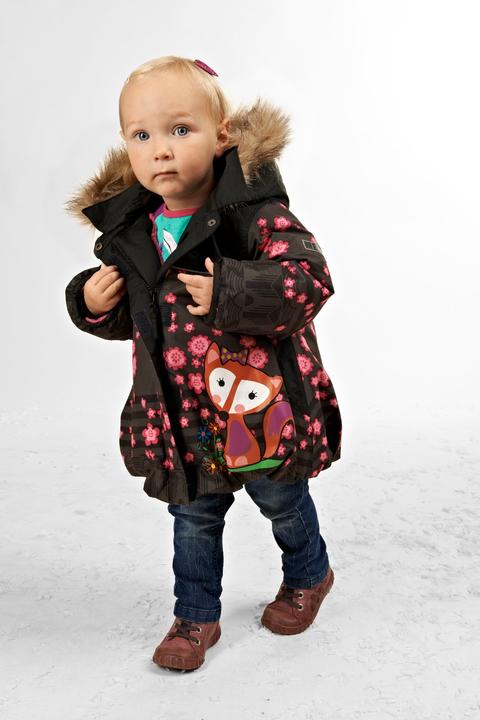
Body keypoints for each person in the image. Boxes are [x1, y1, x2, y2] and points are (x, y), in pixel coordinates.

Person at [64, 55, 342, 673]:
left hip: (258, 407)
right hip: (180, 412)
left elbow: (309, 278)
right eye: (142, 134)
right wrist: (91, 303)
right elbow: (142, 319)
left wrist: (232, 289)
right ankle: (195, 616)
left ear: (222, 136)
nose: (160, 149)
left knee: (282, 499)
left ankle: (309, 573)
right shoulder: (136, 231)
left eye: (180, 129)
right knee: (192, 518)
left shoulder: (254, 214)